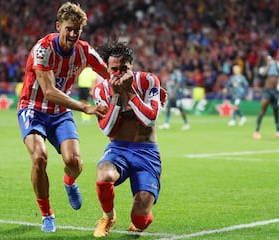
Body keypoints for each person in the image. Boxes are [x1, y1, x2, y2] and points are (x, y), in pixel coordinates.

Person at [16, 2, 109, 233]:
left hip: (59, 113)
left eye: (78, 29)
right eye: (69, 28)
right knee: (39, 157)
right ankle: (47, 214)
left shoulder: (84, 51)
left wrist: (134, 85)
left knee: (74, 163)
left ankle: (69, 182)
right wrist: (83, 107)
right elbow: (48, 91)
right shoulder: (42, 49)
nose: (73, 33)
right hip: (33, 108)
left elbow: (109, 71)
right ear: (58, 26)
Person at [91, 41, 167, 237]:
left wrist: (130, 92)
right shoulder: (101, 90)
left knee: (139, 220)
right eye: (113, 69)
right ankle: (108, 217)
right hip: (118, 149)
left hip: (147, 152)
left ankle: (141, 218)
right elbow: (107, 128)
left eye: (123, 68)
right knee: (104, 174)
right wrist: (116, 98)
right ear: (107, 69)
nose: (118, 73)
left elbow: (150, 119)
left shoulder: (148, 81)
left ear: (131, 66)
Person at [158, 61, 190, 130]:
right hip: (171, 95)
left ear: (173, 66)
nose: (168, 67)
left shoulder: (177, 73)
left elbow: (178, 83)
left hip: (177, 95)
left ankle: (186, 123)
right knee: (168, 108)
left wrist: (174, 93)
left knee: (180, 109)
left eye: (170, 65)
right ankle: (166, 124)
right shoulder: (171, 74)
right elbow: (170, 84)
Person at [253, 55, 279, 139]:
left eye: (270, 60)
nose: (270, 62)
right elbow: (262, 74)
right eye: (268, 60)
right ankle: (256, 131)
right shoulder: (263, 68)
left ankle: (277, 131)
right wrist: (268, 66)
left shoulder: (276, 66)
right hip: (267, 91)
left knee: (277, 111)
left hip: (276, 91)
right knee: (263, 110)